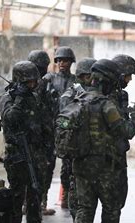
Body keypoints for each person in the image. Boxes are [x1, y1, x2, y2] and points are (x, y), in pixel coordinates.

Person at [69, 59, 135, 223]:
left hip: (80, 164)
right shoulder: (106, 104)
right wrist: (134, 118)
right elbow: (126, 132)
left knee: (84, 207)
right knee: (111, 206)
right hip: (104, 166)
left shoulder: (78, 99)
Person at [0, 61, 55, 223]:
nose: (32, 84)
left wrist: (48, 142)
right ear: (19, 81)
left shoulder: (34, 96)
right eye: (28, 82)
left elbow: (42, 120)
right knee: (17, 192)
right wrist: (20, 99)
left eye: (34, 81)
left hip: (35, 150)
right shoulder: (8, 97)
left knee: (35, 190)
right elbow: (10, 118)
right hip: (17, 152)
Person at [59, 57, 102, 223]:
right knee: (75, 188)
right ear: (85, 75)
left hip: (89, 148)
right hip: (75, 149)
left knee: (88, 191)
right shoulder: (70, 95)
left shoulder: (91, 93)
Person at [110, 54, 135, 223]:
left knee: (118, 195)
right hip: (110, 154)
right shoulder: (110, 97)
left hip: (117, 152)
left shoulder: (120, 95)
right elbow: (126, 131)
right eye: (128, 75)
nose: (129, 79)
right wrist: (134, 119)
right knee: (113, 196)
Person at [43, 46, 76, 209]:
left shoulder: (76, 82)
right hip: (51, 127)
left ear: (71, 62)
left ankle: (66, 198)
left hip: (69, 127)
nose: (62, 63)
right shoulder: (49, 79)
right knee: (47, 166)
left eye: (66, 60)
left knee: (68, 167)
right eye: (59, 60)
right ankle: (42, 201)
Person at [27, 50, 56, 216]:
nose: (42, 71)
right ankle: (29, 205)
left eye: (44, 67)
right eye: (39, 67)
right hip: (31, 139)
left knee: (46, 170)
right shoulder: (23, 86)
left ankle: (41, 203)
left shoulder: (46, 83)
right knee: (29, 176)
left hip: (46, 135)